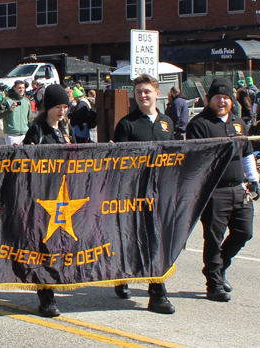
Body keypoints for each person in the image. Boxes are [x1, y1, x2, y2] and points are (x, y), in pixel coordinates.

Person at [186, 77, 260, 302]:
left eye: (226, 97)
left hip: (239, 189)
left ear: (232, 100)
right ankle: (214, 285)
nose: (222, 101)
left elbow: (247, 154)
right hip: (213, 191)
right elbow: (197, 159)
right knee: (213, 237)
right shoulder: (199, 124)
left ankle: (219, 268)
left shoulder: (239, 123)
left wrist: (254, 179)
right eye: (218, 97)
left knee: (244, 232)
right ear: (209, 99)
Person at [112, 74, 175, 314]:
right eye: (138, 92)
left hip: (161, 192)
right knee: (132, 238)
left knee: (157, 241)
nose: (143, 95)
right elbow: (117, 162)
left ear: (157, 94)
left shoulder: (167, 122)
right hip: (134, 193)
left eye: (147, 91)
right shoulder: (127, 124)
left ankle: (156, 292)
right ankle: (127, 279)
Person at [23, 84, 75, 317]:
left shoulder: (65, 129)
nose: (62, 111)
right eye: (58, 107)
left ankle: (55, 285)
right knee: (44, 248)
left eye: (65, 107)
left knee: (60, 247)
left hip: (63, 197)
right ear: (48, 108)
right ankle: (46, 297)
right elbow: (24, 160)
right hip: (43, 198)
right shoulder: (38, 130)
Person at [0, 79, 32, 145]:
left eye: (23, 88)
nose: (21, 89)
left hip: (25, 134)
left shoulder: (27, 101)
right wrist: (10, 109)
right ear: (14, 88)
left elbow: (30, 118)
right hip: (12, 135)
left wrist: (32, 133)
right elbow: (0, 115)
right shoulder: (7, 100)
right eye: (19, 88)